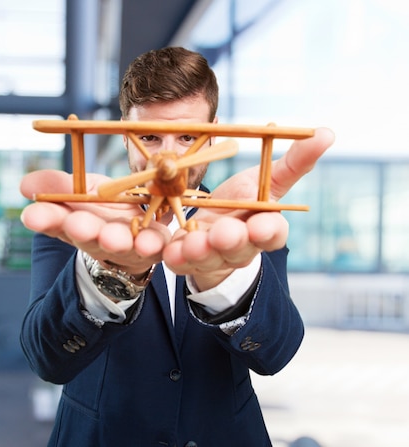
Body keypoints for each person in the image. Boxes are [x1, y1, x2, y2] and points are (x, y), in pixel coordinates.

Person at [19, 47, 334, 447]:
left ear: (215, 135)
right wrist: (108, 274)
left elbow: (275, 353)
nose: (169, 157)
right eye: (149, 136)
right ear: (124, 132)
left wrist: (227, 279)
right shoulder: (75, 224)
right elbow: (46, 356)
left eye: (188, 136)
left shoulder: (244, 221)